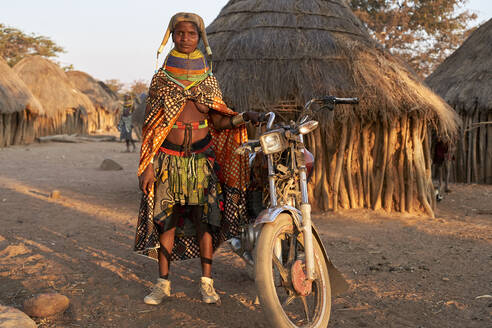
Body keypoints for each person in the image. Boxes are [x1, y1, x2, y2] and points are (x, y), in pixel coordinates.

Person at [134, 12, 261, 305]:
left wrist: (243, 118)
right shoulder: (161, 80)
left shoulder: (209, 79)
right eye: (180, 33)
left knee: (206, 222)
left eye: (192, 34)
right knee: (167, 221)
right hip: (167, 160)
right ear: (172, 36)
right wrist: (148, 165)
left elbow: (218, 121)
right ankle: (162, 284)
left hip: (203, 162)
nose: (186, 39)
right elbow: (152, 127)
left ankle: (207, 283)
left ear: (200, 38)